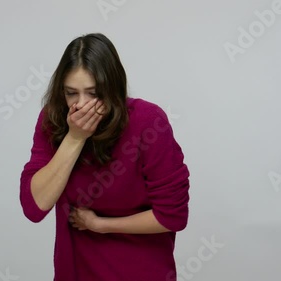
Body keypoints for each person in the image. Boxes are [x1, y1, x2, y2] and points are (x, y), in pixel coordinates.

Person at [19, 33, 190, 281]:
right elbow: (34, 207)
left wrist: (101, 225)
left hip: (141, 271)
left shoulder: (148, 121)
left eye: (93, 93)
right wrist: (75, 138)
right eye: (71, 93)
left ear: (113, 89)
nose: (81, 105)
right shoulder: (54, 120)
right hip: (76, 271)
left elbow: (172, 216)